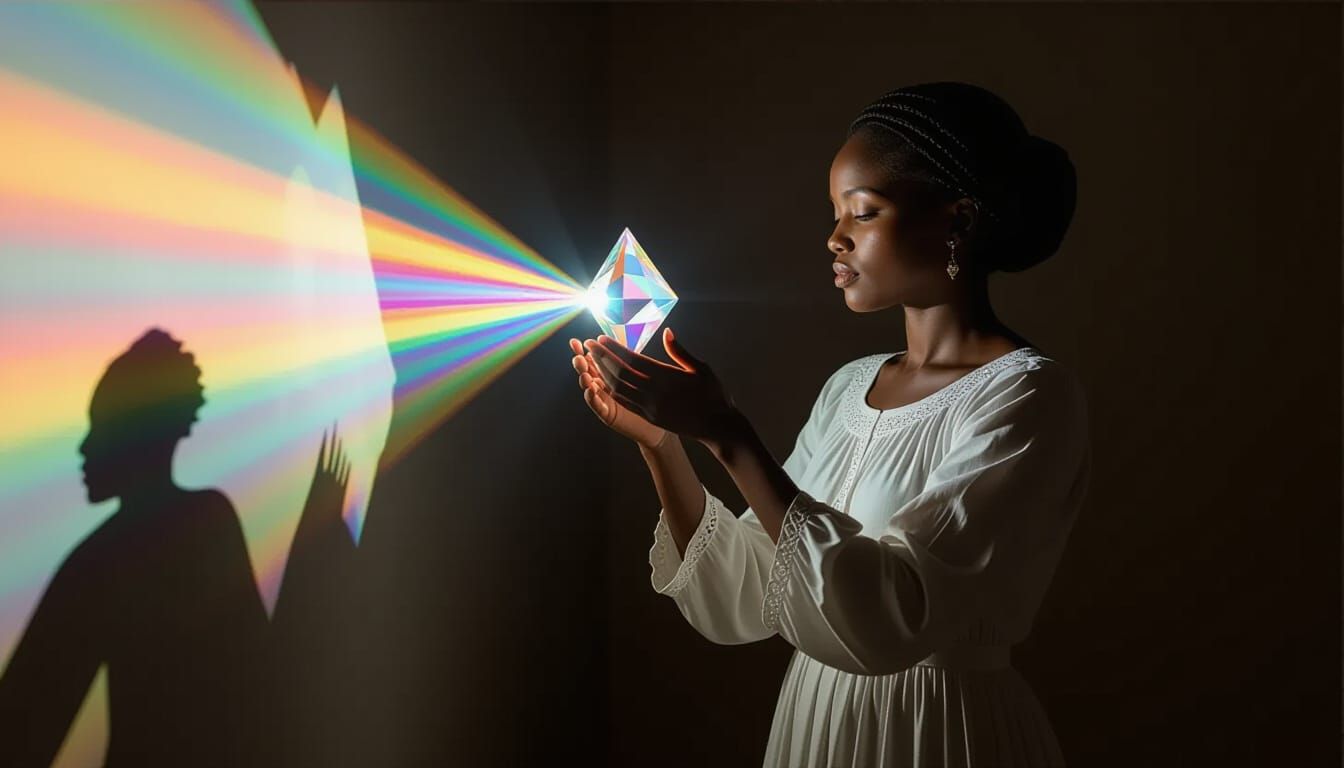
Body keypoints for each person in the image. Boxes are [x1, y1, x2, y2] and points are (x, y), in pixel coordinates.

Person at [567, 81, 1090, 767]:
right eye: (835, 213)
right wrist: (663, 443)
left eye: (863, 212)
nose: (835, 237)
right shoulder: (850, 387)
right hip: (819, 723)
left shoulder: (1028, 397)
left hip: (939, 731)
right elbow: (750, 590)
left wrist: (727, 432)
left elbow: (892, 619)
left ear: (957, 221)